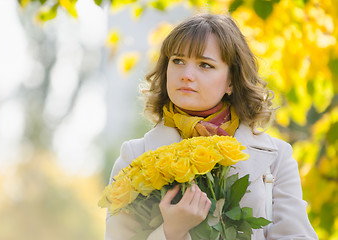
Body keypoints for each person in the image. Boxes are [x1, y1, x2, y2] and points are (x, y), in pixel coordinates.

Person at [104, 13, 318, 240]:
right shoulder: (134, 157)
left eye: (205, 65)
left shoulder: (277, 158)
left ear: (231, 81)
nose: (186, 75)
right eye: (177, 61)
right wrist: (171, 231)